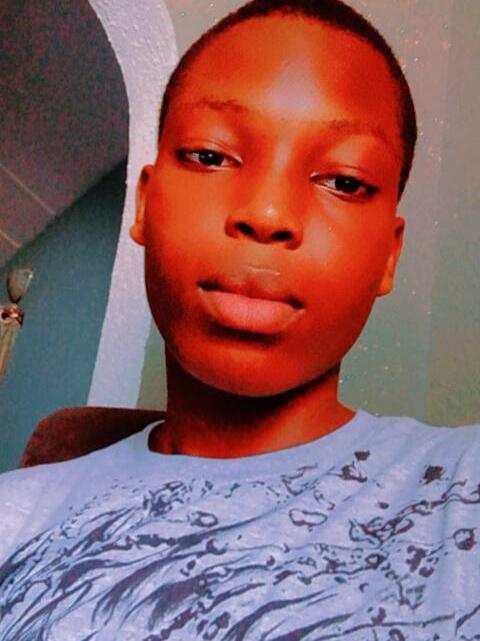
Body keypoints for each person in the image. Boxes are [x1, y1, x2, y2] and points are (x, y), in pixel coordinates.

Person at [1, 0, 479, 639]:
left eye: (343, 180)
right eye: (210, 155)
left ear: (388, 257)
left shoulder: (459, 484)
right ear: (145, 204)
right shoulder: (14, 515)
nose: (267, 213)